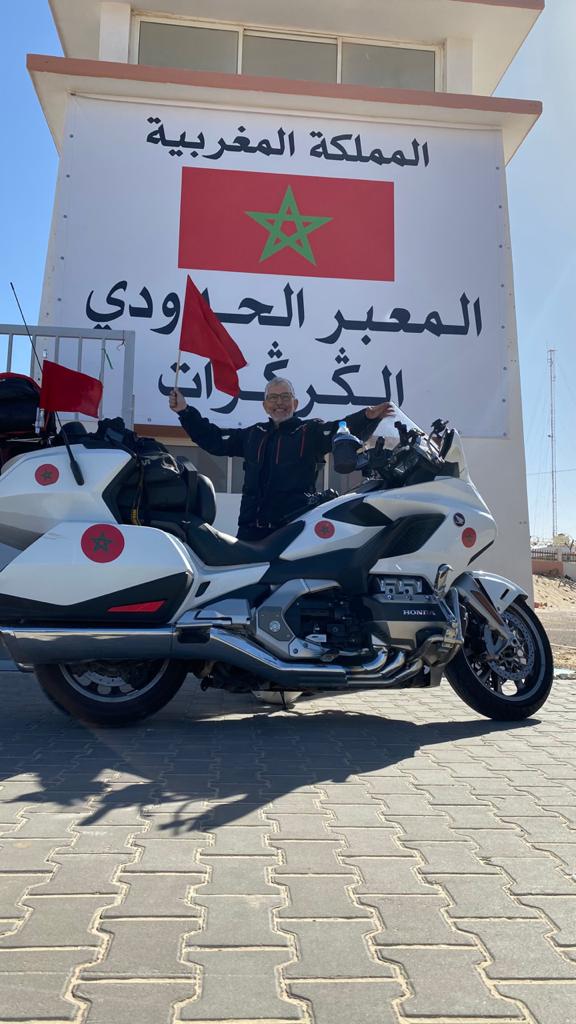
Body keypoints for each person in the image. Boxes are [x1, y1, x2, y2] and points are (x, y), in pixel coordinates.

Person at [169, 378, 393, 541]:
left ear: (295, 404)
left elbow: (339, 429)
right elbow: (215, 439)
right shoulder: (253, 434)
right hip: (250, 532)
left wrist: (367, 416)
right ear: (265, 405)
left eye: (285, 397)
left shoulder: (309, 431)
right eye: (273, 398)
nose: (279, 403)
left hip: (294, 531)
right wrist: (185, 412)